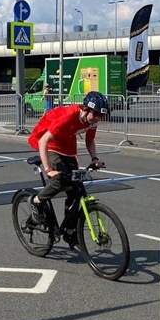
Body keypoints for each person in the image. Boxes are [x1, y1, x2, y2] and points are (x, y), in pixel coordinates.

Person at [26, 91, 109, 246]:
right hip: (51, 145)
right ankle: (37, 201)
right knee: (61, 180)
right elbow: (43, 142)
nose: (97, 119)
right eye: (96, 114)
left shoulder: (92, 121)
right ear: (85, 109)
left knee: (76, 189)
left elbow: (90, 141)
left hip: (68, 146)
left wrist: (95, 159)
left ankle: (70, 232)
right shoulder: (67, 117)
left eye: (101, 116)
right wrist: (49, 170)